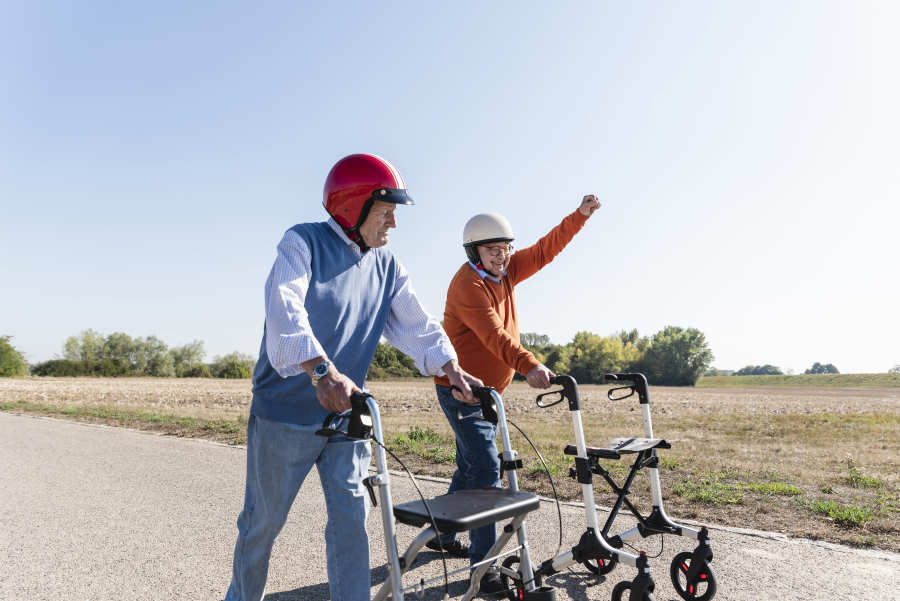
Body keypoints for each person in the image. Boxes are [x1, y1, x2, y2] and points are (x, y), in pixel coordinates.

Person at [224, 153, 482, 601]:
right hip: (285, 415)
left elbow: (417, 326)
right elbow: (285, 311)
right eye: (386, 213)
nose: (393, 224)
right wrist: (322, 372)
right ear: (353, 208)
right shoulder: (302, 243)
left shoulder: (387, 267)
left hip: (348, 417)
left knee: (351, 519)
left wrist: (450, 367)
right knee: (262, 524)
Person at [431, 195, 601, 593]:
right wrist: (529, 365)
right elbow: (494, 336)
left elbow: (545, 251)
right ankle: (483, 569)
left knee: (470, 466)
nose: (502, 257)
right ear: (475, 251)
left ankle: (442, 533)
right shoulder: (467, 285)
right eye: (493, 250)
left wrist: (579, 216)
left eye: (505, 249)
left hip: (489, 394)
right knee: (487, 470)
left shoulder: (505, 273)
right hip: (460, 391)